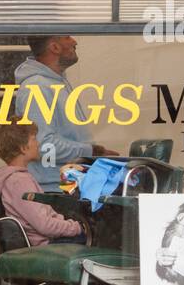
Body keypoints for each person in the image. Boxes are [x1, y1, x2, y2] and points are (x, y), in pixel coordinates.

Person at [14, 35, 118, 191]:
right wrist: (92, 152)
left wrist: (95, 154)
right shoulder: (38, 87)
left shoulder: (56, 82)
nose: (74, 42)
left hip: (69, 185)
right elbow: (44, 145)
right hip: (55, 190)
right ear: (55, 47)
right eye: (68, 37)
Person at [0, 120, 85, 246]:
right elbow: (45, 225)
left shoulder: (15, 179)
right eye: (34, 139)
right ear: (23, 148)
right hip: (49, 245)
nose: (38, 144)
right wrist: (79, 227)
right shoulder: (19, 182)